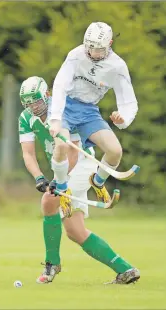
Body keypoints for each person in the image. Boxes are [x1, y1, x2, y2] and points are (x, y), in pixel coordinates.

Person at [19, 76, 140, 285]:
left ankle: (52, 264)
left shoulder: (63, 112)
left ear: (46, 95)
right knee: (75, 231)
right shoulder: (25, 118)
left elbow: (72, 153)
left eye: (36, 101)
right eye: (28, 103)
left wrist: (59, 180)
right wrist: (39, 177)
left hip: (82, 164)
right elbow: (28, 154)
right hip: (63, 170)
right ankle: (125, 270)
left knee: (49, 201)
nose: (33, 107)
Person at [49, 21, 138, 205]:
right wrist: (56, 118)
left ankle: (97, 182)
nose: (93, 53)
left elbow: (128, 101)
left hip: (89, 112)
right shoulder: (76, 55)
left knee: (115, 151)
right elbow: (60, 84)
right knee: (62, 145)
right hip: (66, 106)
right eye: (90, 48)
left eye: (99, 49)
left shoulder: (117, 66)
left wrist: (123, 118)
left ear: (110, 44)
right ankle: (61, 186)